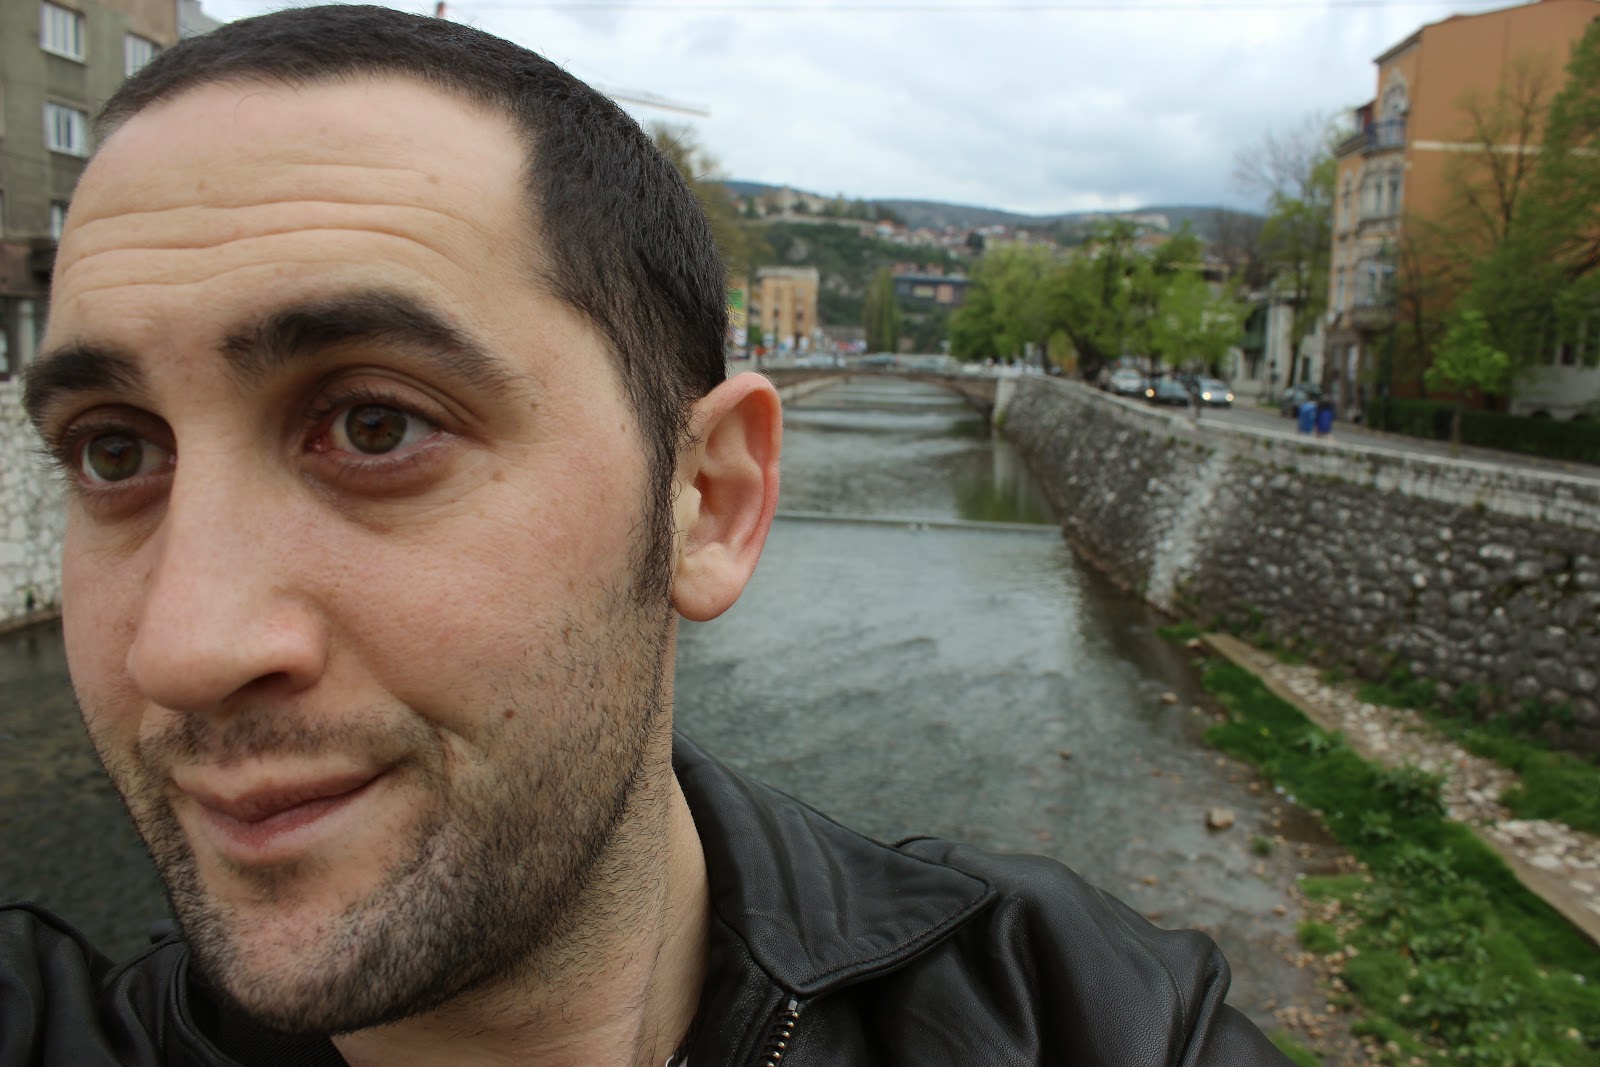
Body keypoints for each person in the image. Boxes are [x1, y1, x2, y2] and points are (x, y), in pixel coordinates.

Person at [2, 7, 1291, 1065]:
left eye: (377, 425)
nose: (182, 650)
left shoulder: (1086, 1023)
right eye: (115, 452)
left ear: (707, 503)